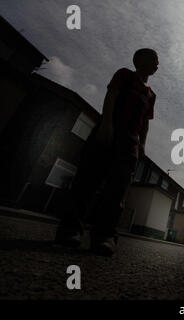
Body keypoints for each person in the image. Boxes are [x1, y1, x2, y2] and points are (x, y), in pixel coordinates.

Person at [55, 48, 159, 256]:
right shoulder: (124, 75)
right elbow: (111, 96)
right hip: (110, 132)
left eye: (157, 61)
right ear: (139, 61)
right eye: (153, 59)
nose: (157, 64)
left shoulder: (151, 94)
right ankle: (70, 230)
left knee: (117, 189)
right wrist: (106, 125)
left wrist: (142, 144)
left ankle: (104, 235)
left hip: (130, 143)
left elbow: (145, 123)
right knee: (87, 180)